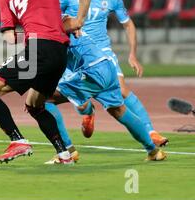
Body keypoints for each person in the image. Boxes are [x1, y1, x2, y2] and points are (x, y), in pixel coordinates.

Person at [0, 0, 92, 164]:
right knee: (34, 105)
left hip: (39, 50)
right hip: (60, 54)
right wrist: (79, 20)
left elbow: (10, 37)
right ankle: (64, 155)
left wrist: (29, 32)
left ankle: (17, 140)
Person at [54, 0, 168, 147]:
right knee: (81, 102)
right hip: (74, 53)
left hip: (102, 52)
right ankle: (88, 112)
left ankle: (150, 132)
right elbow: (53, 16)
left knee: (122, 91)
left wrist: (133, 54)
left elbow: (128, 24)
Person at [44, 18, 166, 164]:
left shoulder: (54, 23)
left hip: (90, 72)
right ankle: (153, 151)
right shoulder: (60, 20)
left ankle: (67, 151)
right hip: (106, 66)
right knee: (118, 110)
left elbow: (68, 28)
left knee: (42, 99)